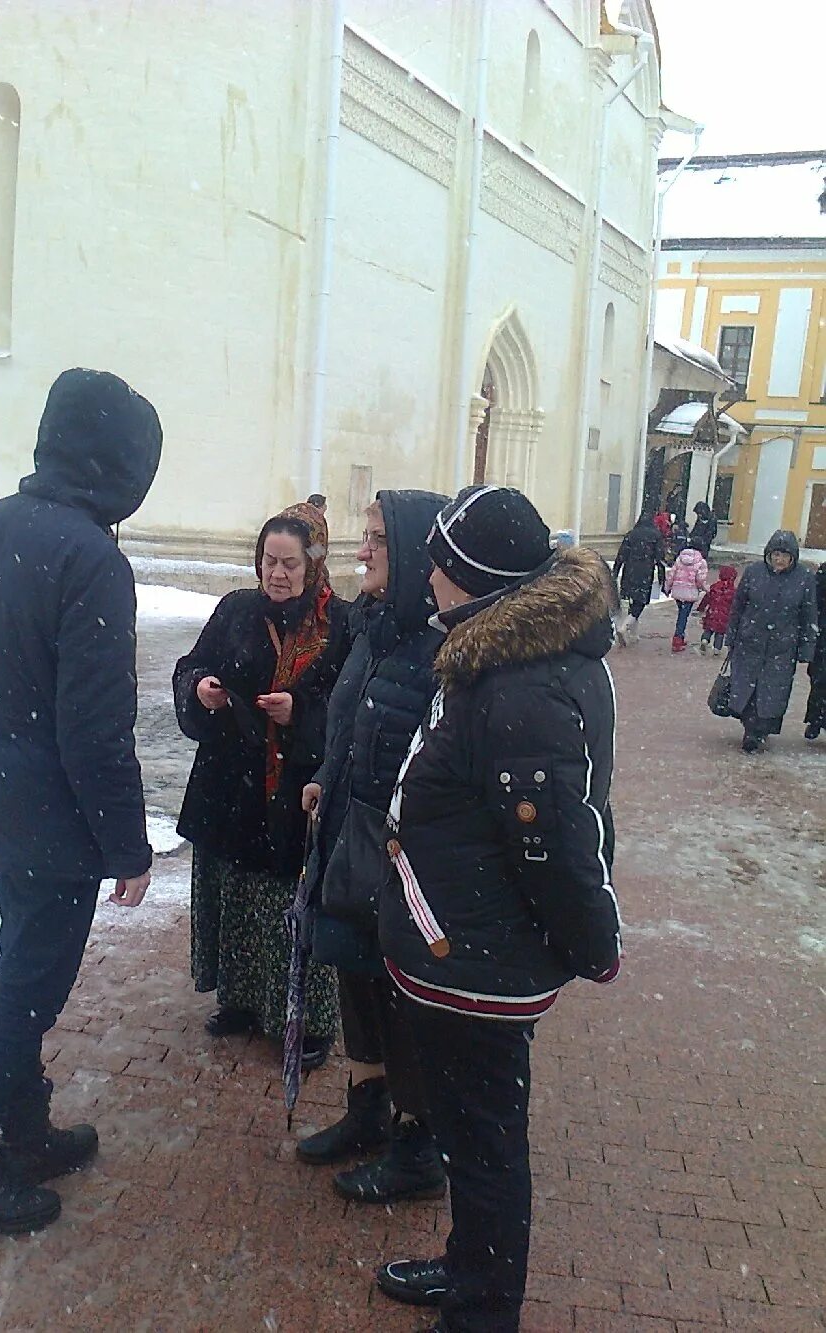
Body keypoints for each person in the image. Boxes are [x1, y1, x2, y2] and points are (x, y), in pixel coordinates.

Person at [0, 369, 163, 1234]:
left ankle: (23, 1131)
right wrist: (127, 845)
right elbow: (95, 728)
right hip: (53, 821)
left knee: (20, 965)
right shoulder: (92, 558)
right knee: (28, 990)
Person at [374, 486, 621, 1333]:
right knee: (471, 1134)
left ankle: (483, 1311)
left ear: (476, 579)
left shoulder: (520, 686)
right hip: (465, 948)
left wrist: (594, 946)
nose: (427, 579)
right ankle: (468, 1269)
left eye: (439, 566)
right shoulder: (501, 656)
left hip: (480, 964)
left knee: (484, 1146)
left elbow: (556, 845)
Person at [296, 490, 449, 1208]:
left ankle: (418, 1146)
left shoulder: (439, 649)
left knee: (401, 998)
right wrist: (325, 779)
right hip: (349, 838)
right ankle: (367, 1110)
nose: (362, 551)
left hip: (397, 858)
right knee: (355, 975)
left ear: (415, 551)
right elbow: (348, 724)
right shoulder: (373, 629)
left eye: (379, 539)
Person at [173, 503, 347, 1066]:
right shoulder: (236, 610)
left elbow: (351, 705)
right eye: (269, 560)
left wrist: (302, 713)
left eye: (290, 563)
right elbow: (191, 665)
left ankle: (308, 1020)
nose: (277, 573)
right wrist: (200, 689)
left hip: (296, 793)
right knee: (235, 901)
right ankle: (242, 1001)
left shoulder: (340, 625)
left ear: (313, 563)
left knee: (289, 906)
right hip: (230, 787)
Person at [726, 531, 817, 753]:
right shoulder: (754, 572)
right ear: (769, 554)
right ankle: (751, 729)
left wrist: (806, 648)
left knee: (773, 692)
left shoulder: (804, 578)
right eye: (776, 554)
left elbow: (809, 615)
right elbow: (738, 606)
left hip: (783, 648)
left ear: (793, 557)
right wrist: (732, 635)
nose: (780, 560)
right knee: (747, 689)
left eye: (785, 556)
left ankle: (760, 730)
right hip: (750, 643)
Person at [612, 511, 666, 645]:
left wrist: (615, 571)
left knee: (632, 600)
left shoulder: (631, 534)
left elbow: (621, 554)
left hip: (629, 571)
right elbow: (660, 559)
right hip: (645, 572)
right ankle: (624, 627)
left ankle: (634, 634)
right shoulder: (656, 535)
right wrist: (662, 578)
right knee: (639, 603)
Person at [664, 539, 708, 652]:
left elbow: (671, 574)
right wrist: (703, 588)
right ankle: (678, 638)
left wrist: (667, 587)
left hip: (678, 591)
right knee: (683, 616)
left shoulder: (680, 558)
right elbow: (700, 579)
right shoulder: (701, 562)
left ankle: (680, 636)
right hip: (690, 592)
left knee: (681, 614)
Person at [804, 562, 826, 740]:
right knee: (819, 682)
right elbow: (813, 604)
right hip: (823, 639)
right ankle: (816, 719)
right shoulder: (823, 573)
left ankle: (817, 719)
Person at [697, 564, 737, 655]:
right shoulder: (733, 591)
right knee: (720, 633)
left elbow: (706, 598)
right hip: (725, 616)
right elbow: (736, 605)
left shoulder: (714, 587)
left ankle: (704, 640)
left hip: (712, 613)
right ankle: (717, 649)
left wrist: (701, 607)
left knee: (708, 629)